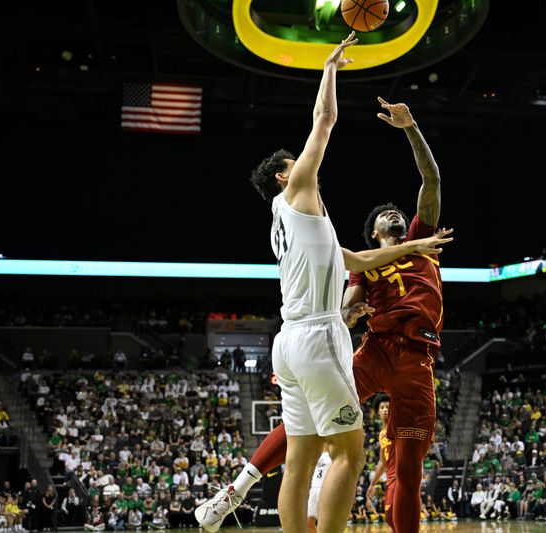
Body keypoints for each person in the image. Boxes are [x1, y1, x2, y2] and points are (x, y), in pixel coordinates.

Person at [195, 33, 451, 533]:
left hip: (291, 340)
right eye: (295, 164)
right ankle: (257, 494)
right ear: (281, 177)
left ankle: (244, 493)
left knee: (303, 453)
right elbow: (324, 120)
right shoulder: (297, 190)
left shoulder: (288, 223)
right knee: (347, 455)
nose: (304, 165)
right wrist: (330, 67)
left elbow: (352, 257)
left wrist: (411, 250)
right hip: (323, 335)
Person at [366, 398, 395, 528]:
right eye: (382, 407)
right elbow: (382, 462)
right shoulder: (381, 434)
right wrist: (372, 484)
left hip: (401, 475)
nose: (385, 410)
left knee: (395, 514)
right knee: (390, 516)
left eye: (388, 407)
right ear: (377, 412)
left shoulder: (397, 427)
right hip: (390, 477)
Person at [307, 444, 332, 533]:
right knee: (308, 522)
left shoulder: (334, 454)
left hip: (325, 489)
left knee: (323, 523)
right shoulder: (316, 454)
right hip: (314, 488)